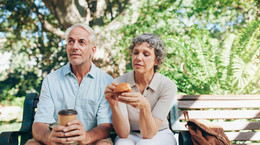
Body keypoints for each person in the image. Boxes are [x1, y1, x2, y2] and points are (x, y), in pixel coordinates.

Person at [25, 23, 113, 145]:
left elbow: (106, 125)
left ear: (93, 50)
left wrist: (86, 137)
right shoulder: (51, 80)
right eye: (71, 42)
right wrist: (49, 137)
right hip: (56, 141)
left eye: (81, 42)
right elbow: (39, 123)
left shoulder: (106, 81)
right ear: (66, 47)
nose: (74, 47)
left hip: (90, 141)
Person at [104, 33, 177, 145]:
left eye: (146, 54)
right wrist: (113, 105)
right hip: (130, 134)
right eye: (136, 53)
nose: (138, 58)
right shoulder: (119, 83)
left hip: (159, 133)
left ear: (156, 61)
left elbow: (148, 134)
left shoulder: (167, 86)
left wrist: (145, 106)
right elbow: (123, 133)